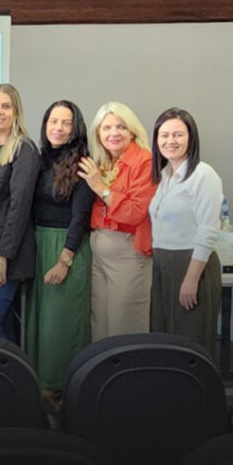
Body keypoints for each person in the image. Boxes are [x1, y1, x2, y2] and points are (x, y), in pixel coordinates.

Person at [26, 100, 94, 399]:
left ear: (75, 128)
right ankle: (41, 387)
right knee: (39, 323)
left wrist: (65, 260)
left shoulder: (82, 164)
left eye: (66, 123)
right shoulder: (38, 160)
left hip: (67, 248)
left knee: (60, 325)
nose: (58, 128)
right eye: (54, 121)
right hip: (38, 245)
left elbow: (80, 217)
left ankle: (62, 388)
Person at [78, 101, 157, 340]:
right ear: (98, 134)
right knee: (100, 327)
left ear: (132, 130)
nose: (114, 133)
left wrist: (101, 189)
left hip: (128, 255)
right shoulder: (103, 161)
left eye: (121, 127)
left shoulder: (145, 161)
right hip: (99, 255)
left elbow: (136, 212)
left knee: (125, 327)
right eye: (106, 128)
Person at [149, 108, 225, 354]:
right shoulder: (165, 175)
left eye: (178, 135)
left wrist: (191, 279)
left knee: (190, 341)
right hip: (162, 262)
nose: (170, 141)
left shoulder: (203, 175)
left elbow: (208, 231)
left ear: (191, 138)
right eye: (164, 135)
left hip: (191, 265)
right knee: (164, 336)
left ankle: (197, 392)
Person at [0, 83, 40, 341]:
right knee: (2, 324)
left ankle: (9, 379)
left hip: (7, 254)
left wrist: (3, 256)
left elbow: (19, 207)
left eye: (6, 106)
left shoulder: (24, 149)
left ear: (16, 112)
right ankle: (12, 380)